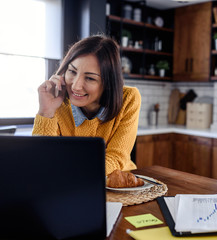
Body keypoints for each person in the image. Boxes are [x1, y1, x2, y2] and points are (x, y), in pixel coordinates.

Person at [32, 35, 141, 176]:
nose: (76, 86)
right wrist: (46, 111)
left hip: (116, 182)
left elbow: (115, 158)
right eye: (72, 71)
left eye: (90, 78)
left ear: (108, 83)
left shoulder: (128, 98)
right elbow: (40, 160)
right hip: (71, 182)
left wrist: (70, 172)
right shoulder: (57, 100)